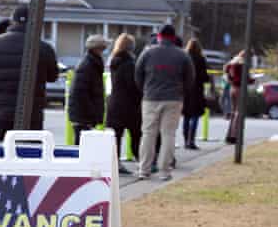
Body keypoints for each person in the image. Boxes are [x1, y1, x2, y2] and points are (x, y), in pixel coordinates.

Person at [0, 5, 59, 140]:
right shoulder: (43, 48)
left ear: (13, 21)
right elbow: (52, 76)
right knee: (29, 156)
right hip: (31, 114)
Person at [135, 24, 194, 181]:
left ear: (159, 37)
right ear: (174, 38)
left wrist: (145, 90)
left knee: (148, 133)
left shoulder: (147, 53)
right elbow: (190, 78)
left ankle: (144, 169)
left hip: (151, 98)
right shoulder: (182, 55)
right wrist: (181, 92)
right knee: (168, 134)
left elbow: (138, 75)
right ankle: (164, 171)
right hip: (174, 98)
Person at [105, 33, 141, 175]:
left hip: (114, 103)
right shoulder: (130, 64)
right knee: (136, 135)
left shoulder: (114, 61)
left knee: (116, 137)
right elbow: (133, 85)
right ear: (131, 47)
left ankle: (116, 163)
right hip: (129, 105)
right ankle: (141, 161)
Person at [68, 34, 109, 143]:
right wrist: (92, 112)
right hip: (84, 114)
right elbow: (81, 93)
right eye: (102, 49)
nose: (103, 52)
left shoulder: (91, 63)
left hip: (84, 113)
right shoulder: (89, 65)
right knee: (82, 145)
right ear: (96, 49)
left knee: (83, 143)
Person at [182, 38, 210, 150]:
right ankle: (191, 140)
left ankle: (185, 140)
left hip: (186, 90)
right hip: (197, 90)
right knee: (195, 116)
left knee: (186, 116)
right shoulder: (201, 59)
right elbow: (204, 76)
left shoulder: (184, 58)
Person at [224, 50, 252, 144]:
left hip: (232, 88)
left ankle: (229, 135)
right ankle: (235, 136)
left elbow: (227, 74)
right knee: (238, 113)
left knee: (233, 112)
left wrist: (231, 81)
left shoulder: (232, 63)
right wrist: (251, 80)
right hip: (239, 88)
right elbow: (244, 78)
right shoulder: (242, 64)